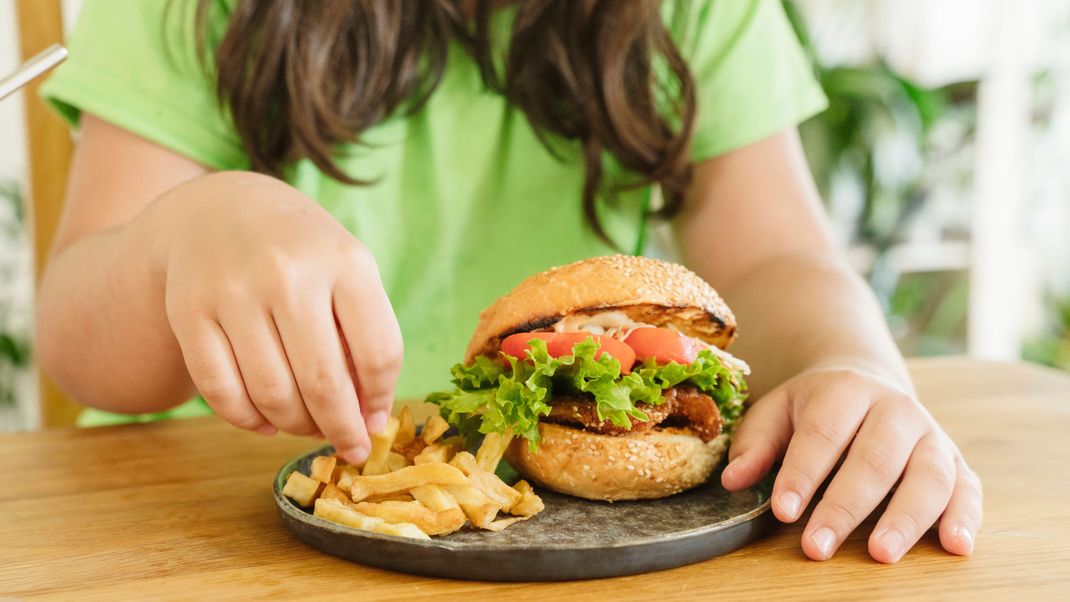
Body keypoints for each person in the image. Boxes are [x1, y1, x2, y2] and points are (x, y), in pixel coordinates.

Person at [37, 0, 980, 563]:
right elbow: (81, 348)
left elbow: (774, 260)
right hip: (197, 531)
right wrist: (183, 233)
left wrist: (851, 361)